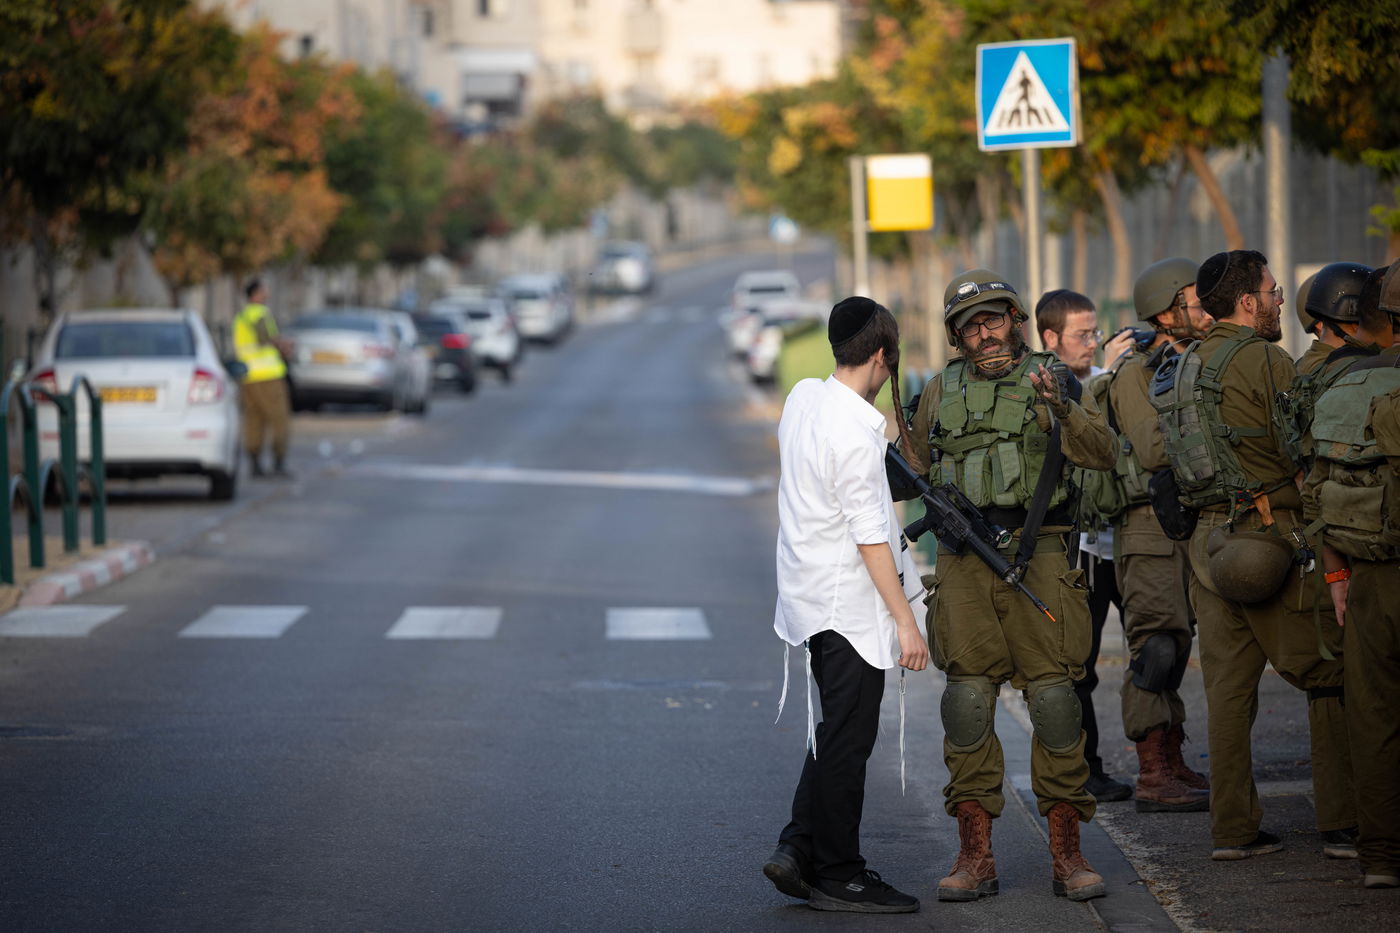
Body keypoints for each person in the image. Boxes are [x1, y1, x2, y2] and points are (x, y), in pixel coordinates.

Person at [904, 270, 1116, 903]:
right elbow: (913, 468)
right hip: (965, 565)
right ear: (956, 335)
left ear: (1016, 320)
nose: (984, 332)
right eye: (971, 324)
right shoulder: (939, 390)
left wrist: (1063, 407)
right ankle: (975, 857)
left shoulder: (1054, 379)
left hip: (1043, 555)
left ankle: (1067, 855)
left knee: (1055, 701)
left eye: (994, 318)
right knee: (967, 702)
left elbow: (1103, 453)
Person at [1168, 250, 1355, 861]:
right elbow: (1301, 450)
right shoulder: (1266, 359)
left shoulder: (1184, 362)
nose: (1281, 303)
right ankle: (1343, 824)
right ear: (1248, 302)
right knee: (1329, 675)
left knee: (1226, 693)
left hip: (1206, 543)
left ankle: (1234, 831)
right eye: (1273, 293)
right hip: (1271, 534)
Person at [764, 297, 928, 914]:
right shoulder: (857, 435)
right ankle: (840, 871)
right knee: (849, 740)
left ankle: (797, 847)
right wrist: (906, 623)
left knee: (835, 730)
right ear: (882, 356)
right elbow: (871, 538)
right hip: (848, 608)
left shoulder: (803, 398)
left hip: (808, 598)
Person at [1104, 258, 1214, 813]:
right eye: (1195, 298)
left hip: (1185, 520)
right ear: (1168, 310)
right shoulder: (1136, 373)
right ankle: (1151, 771)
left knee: (1180, 644)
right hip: (1148, 525)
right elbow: (1151, 450)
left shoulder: (1198, 360)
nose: (1205, 306)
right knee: (1156, 646)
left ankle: (1172, 758)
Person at [1304, 262, 1400, 889]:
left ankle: (1383, 859)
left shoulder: (1344, 388)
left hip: (1368, 575)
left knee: (1373, 717)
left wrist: (1338, 579)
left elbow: (1318, 494)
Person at [1035, 290, 1135, 803]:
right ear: (1050, 339)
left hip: (1126, 539)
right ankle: (1084, 768)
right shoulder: (1047, 388)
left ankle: (1164, 760)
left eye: (1097, 332)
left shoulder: (1103, 378)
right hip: (1081, 552)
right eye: (1083, 334)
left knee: (1157, 646)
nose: (1094, 343)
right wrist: (1109, 374)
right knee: (1079, 663)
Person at [233, 280, 293, 478]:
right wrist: (284, 346)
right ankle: (278, 463)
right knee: (279, 420)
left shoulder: (241, 317)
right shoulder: (261, 314)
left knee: (253, 420)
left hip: (248, 376)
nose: (267, 293)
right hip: (268, 376)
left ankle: (255, 463)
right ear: (257, 293)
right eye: (264, 290)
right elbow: (265, 337)